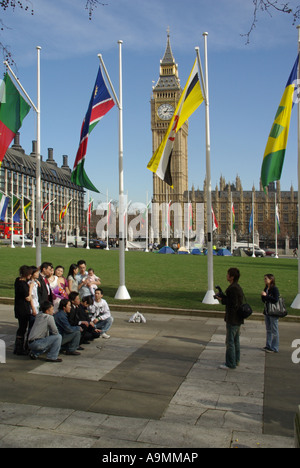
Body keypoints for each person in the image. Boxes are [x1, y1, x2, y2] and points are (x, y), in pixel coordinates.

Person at [215, 268, 244, 370]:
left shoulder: (233, 288)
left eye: (228, 274)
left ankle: (230, 363)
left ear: (232, 277)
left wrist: (222, 299)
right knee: (235, 340)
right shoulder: (236, 287)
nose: (226, 276)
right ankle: (236, 360)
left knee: (230, 341)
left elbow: (232, 303)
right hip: (237, 318)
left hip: (233, 318)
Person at [14, 265, 33, 355]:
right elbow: (28, 298)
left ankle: (18, 347)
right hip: (23, 309)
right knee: (22, 328)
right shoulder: (23, 284)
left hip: (18, 308)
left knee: (21, 328)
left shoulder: (17, 281)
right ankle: (19, 348)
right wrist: (31, 288)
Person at [261, 274, 280, 353]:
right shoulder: (266, 288)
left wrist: (266, 295)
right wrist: (263, 296)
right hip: (267, 311)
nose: (265, 280)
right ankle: (268, 345)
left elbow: (275, 299)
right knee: (268, 329)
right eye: (264, 279)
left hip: (273, 311)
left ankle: (274, 347)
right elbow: (264, 300)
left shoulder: (274, 289)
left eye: (266, 279)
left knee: (274, 330)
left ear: (271, 280)